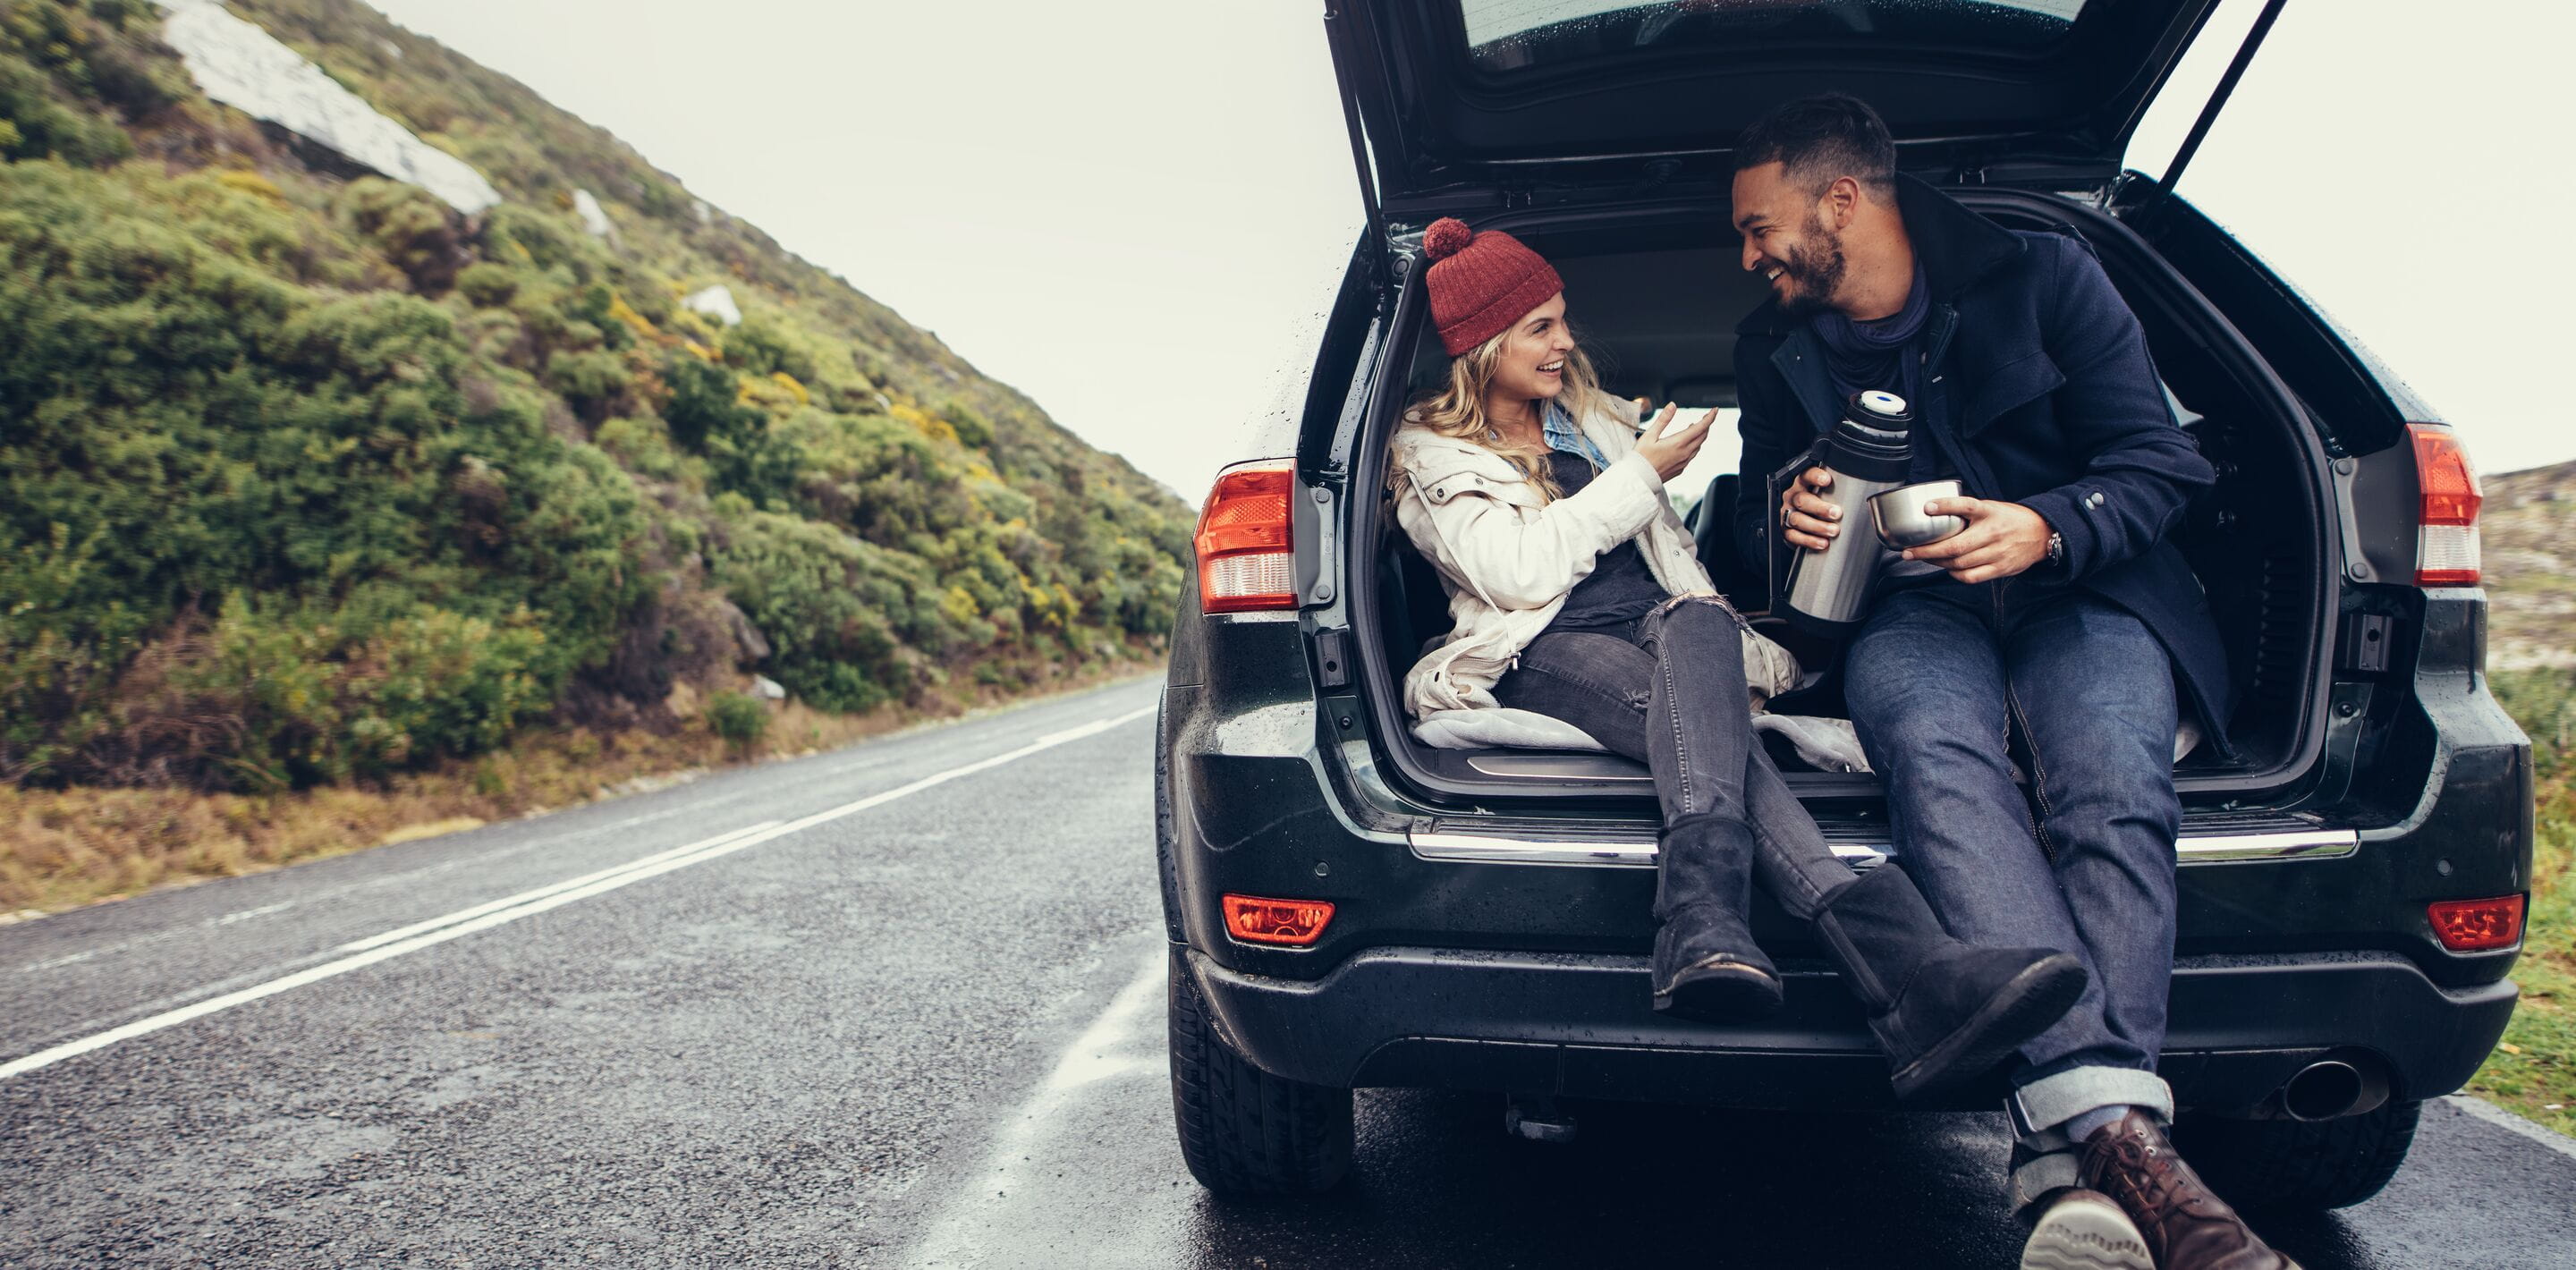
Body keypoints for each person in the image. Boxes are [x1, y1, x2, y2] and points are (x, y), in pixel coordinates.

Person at [1728, 94, 2294, 1270]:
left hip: (2090, 590)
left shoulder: (2047, 277)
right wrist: (1787, 518)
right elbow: (1753, 548)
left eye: (1756, 225)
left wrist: (2046, 526)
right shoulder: (1769, 347)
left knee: (2110, 782)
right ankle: (2127, 1153)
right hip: (1909, 612)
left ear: (1841, 200)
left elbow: (2158, 464)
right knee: (1937, 763)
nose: (1746, 256)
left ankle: (2070, 1152)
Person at [1387, 215, 2087, 1105]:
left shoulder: (1594, 422)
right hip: (1540, 653)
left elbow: (1681, 572)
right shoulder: (1425, 451)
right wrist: (1641, 471)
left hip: (1672, 637)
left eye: (1564, 319)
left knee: (1700, 626)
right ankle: (1904, 974)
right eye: (1542, 327)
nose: (1567, 341)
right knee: (1721, 732)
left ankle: (1706, 917)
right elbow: (1515, 577)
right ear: (1483, 346)